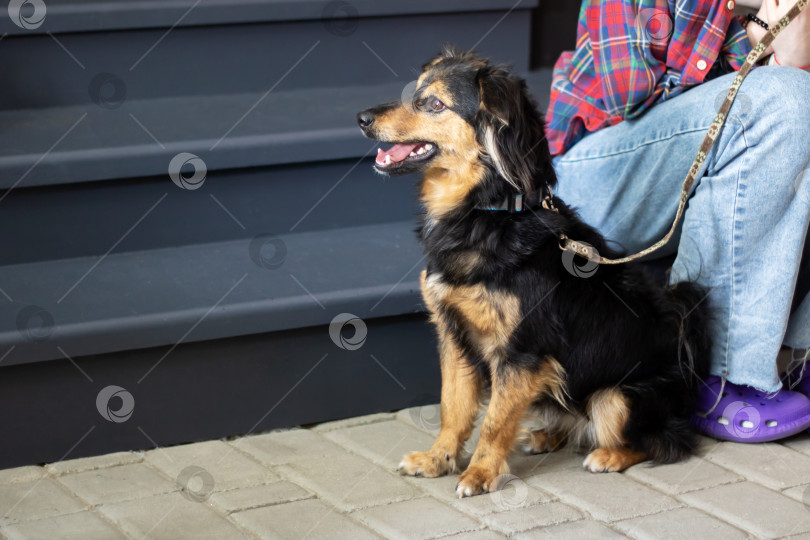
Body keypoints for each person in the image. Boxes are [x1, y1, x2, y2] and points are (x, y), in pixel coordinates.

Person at [547, 0, 810, 442]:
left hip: (684, 169)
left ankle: (802, 355)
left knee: (792, 95)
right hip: (593, 179)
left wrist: (792, 54)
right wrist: (755, 39)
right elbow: (627, 95)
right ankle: (717, 374)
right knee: (782, 96)